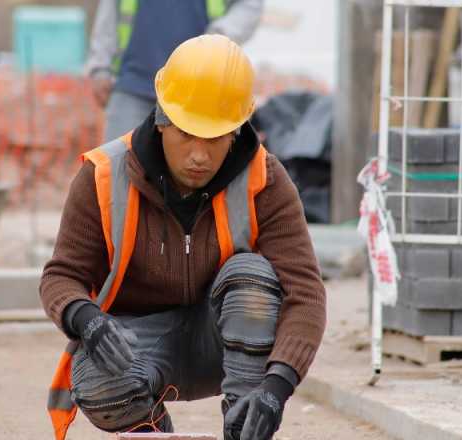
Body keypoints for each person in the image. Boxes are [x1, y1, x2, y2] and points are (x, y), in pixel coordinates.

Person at [42, 35, 326, 440]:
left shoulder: (265, 181)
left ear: (237, 130)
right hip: (141, 344)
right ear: (161, 119)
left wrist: (275, 387)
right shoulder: (104, 177)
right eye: (187, 134)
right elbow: (60, 275)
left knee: (253, 275)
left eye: (214, 139)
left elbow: (307, 293)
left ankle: (242, 424)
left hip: (227, 342)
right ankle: (154, 434)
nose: (198, 155)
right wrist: (85, 319)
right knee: (96, 377)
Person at [87, 0, 264, 141]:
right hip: (134, 84)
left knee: (200, 174)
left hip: (203, 88)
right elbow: (109, 10)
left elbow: (249, 5)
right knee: (121, 169)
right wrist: (100, 66)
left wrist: (221, 33)